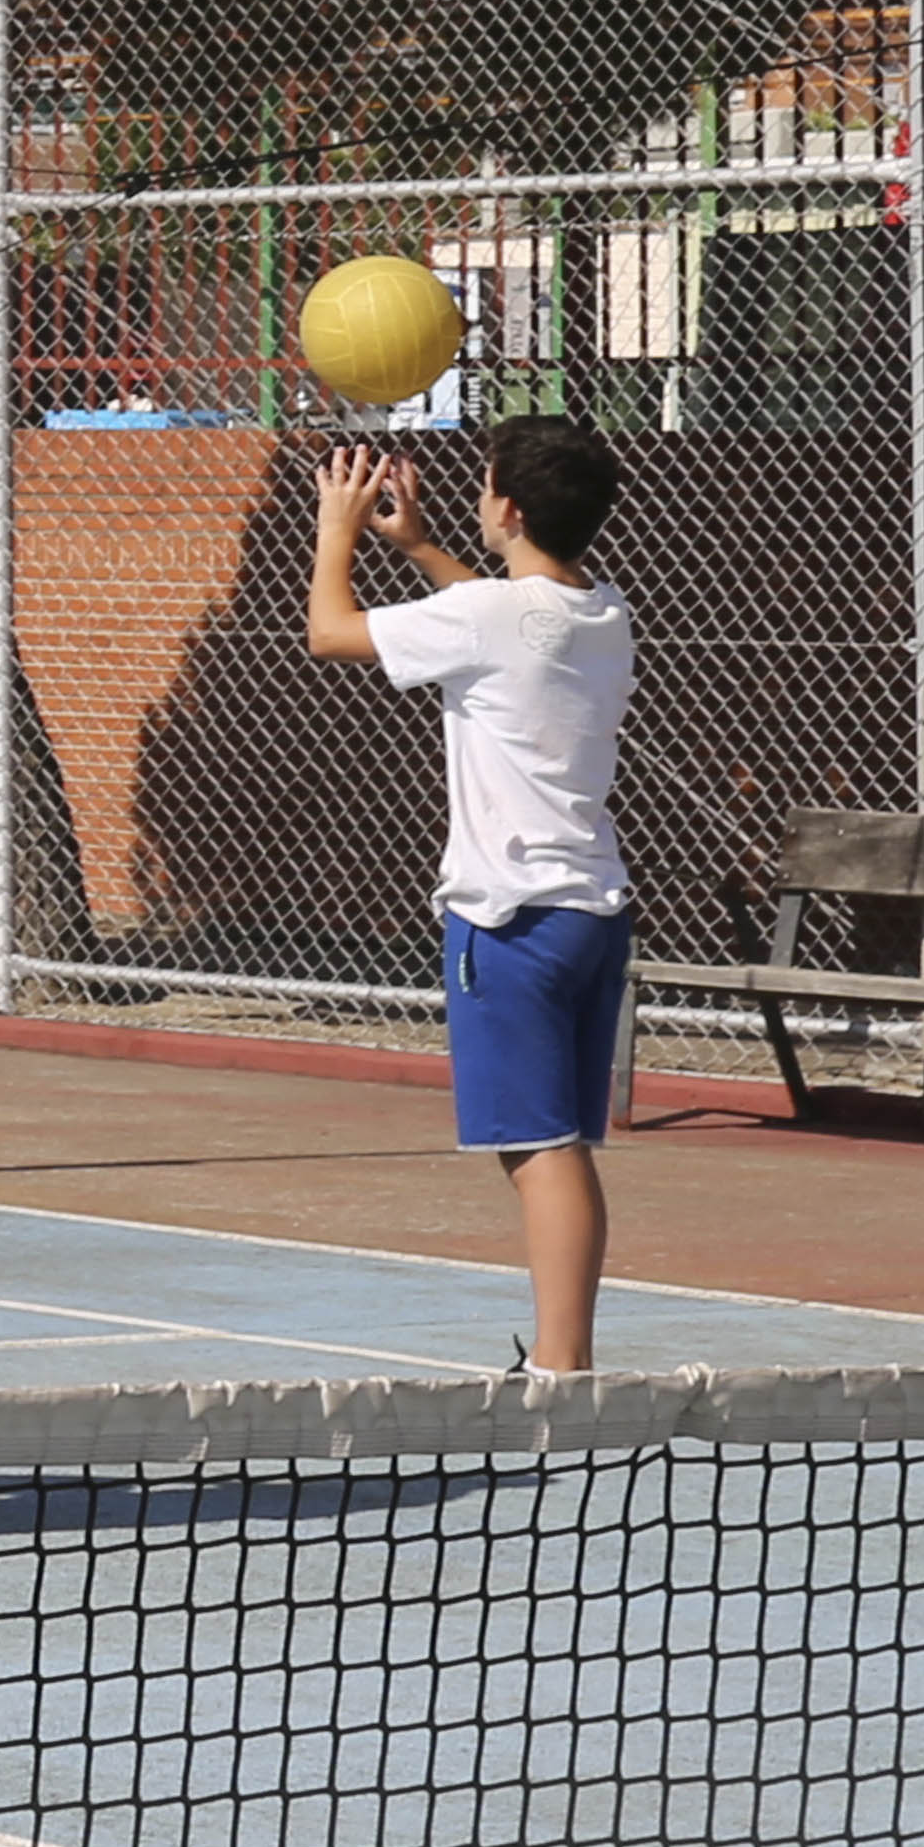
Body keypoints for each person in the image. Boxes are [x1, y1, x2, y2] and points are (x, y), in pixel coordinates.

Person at [307, 419, 637, 1374]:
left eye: (485, 486)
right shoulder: (599, 609)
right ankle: (561, 1351)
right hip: (589, 914)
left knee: (540, 1149)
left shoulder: (490, 618)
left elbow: (330, 633)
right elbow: (502, 615)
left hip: (509, 922)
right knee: (560, 1144)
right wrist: (412, 546)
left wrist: (339, 527)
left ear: (507, 508)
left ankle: (561, 1369)